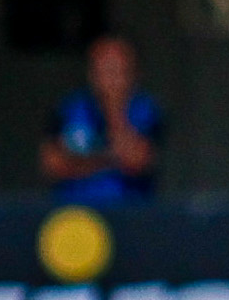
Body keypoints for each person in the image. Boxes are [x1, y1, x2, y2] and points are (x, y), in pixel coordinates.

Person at [39, 33, 163, 204]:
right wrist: (110, 159)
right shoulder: (69, 107)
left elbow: (136, 162)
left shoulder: (146, 109)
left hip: (130, 212)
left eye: (117, 69)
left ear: (133, 72)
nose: (109, 77)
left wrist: (114, 107)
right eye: (103, 68)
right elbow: (53, 166)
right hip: (76, 213)